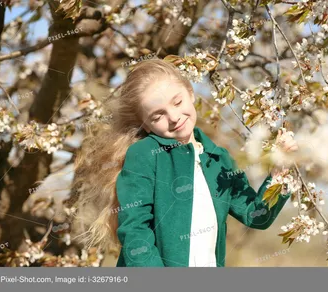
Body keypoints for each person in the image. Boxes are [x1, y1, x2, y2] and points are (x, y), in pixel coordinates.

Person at [71, 58, 297, 267]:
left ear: (191, 93)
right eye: (158, 116)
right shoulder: (144, 154)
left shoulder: (219, 159)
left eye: (177, 102)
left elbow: (256, 215)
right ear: (146, 125)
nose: (174, 117)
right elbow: (135, 232)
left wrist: (279, 175)